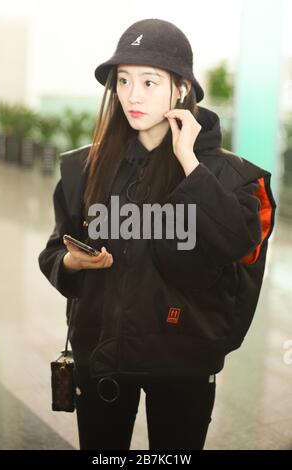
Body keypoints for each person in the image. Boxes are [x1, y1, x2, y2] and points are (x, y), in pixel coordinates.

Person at [38, 18, 276, 450]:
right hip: (102, 361)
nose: (132, 95)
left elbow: (236, 242)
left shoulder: (229, 175)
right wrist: (71, 261)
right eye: (123, 81)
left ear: (181, 88)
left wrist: (190, 162)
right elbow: (56, 250)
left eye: (149, 82)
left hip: (183, 366)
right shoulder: (84, 168)